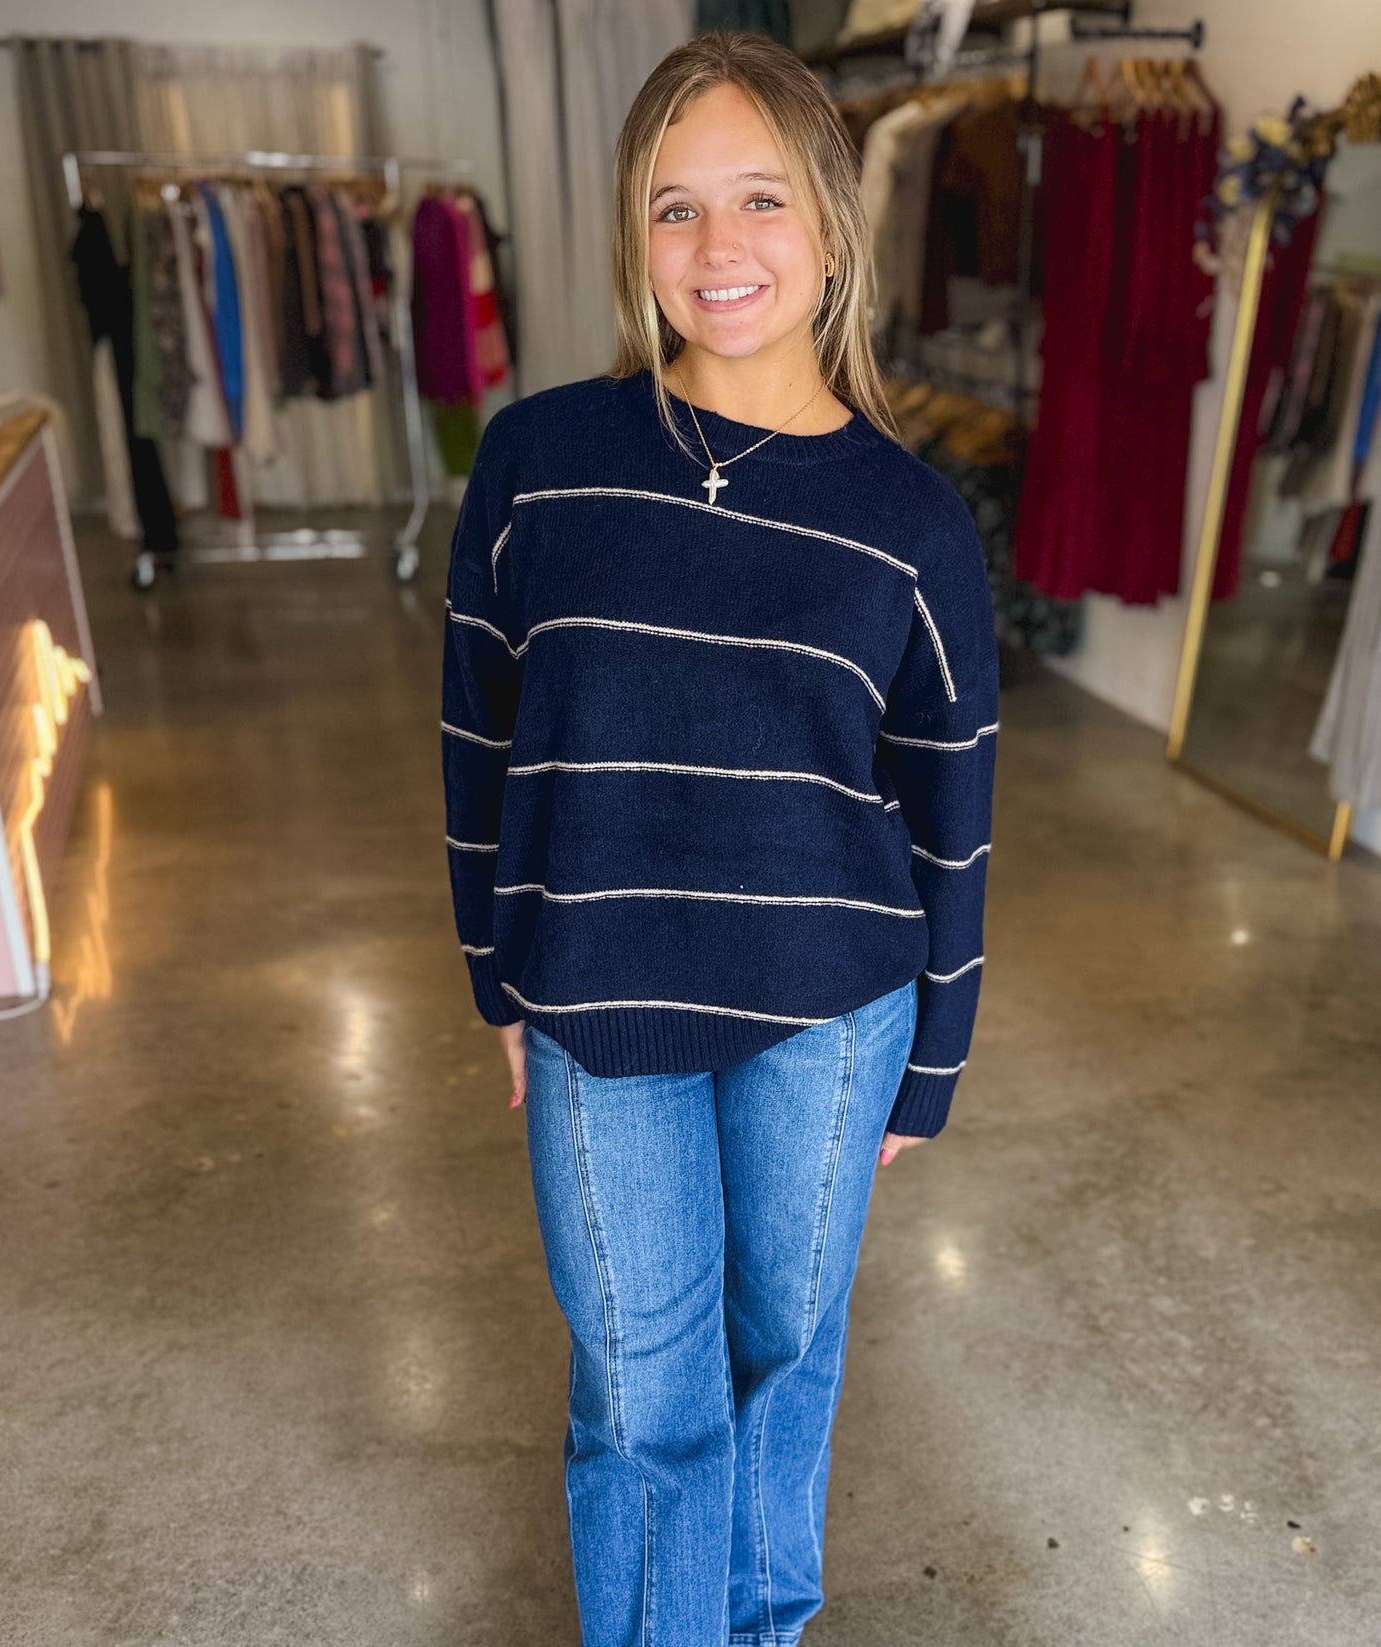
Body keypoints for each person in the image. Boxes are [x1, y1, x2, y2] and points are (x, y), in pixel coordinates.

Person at [440, 28, 998, 1646]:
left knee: (781, 1350)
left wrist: (933, 1058)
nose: (717, 247)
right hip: (596, 1000)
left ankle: (760, 1626)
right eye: (674, 208)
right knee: (639, 1391)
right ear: (633, 233)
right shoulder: (540, 463)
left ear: (828, 220)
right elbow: (480, 741)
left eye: (757, 199)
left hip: (831, 1019)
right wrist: (497, 981)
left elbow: (949, 810)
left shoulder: (909, 520)